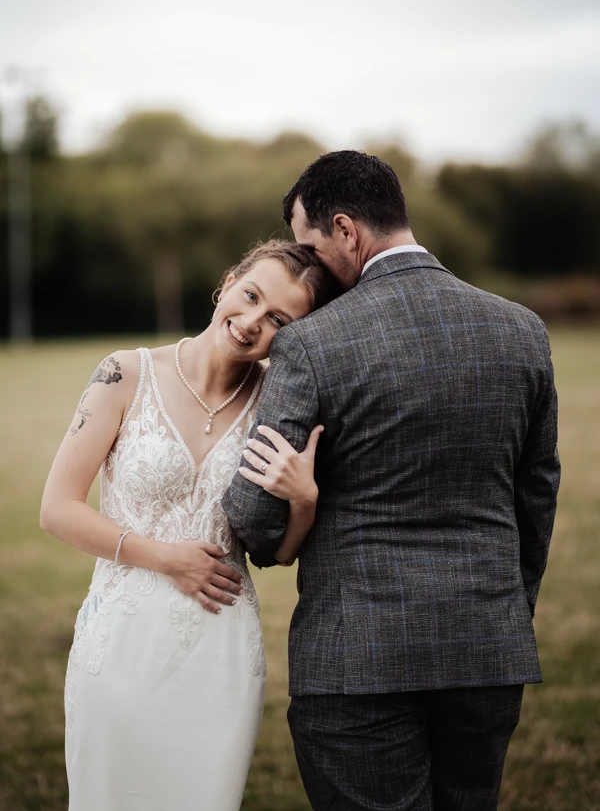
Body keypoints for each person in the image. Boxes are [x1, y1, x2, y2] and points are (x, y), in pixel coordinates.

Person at [223, 151, 560, 811]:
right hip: (489, 649)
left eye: (309, 248)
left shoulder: (313, 343)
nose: (309, 267)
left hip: (357, 660)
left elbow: (254, 513)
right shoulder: (524, 329)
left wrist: (286, 521)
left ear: (346, 230)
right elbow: (537, 495)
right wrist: (505, 612)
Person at [40, 240, 336, 811]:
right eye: (250, 296)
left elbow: (275, 555)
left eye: (278, 318)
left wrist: (304, 502)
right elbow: (57, 509)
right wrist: (163, 557)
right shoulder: (124, 373)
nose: (251, 323)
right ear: (227, 282)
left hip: (221, 649)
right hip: (121, 643)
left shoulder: (279, 402)